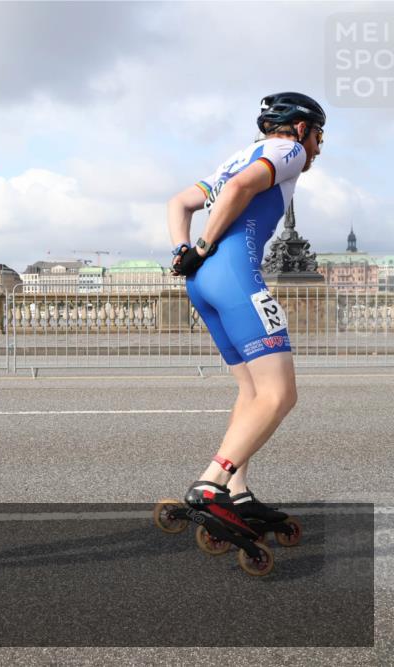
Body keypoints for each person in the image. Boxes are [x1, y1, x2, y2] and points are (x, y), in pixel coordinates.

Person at [167, 92, 325, 528]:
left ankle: (236, 491)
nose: (317, 148)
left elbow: (178, 202)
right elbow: (241, 189)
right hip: (236, 277)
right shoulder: (288, 150)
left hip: (203, 284)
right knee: (279, 394)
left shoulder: (234, 159)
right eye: (318, 136)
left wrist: (184, 251)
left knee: (252, 392)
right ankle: (212, 483)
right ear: (300, 129)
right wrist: (202, 246)